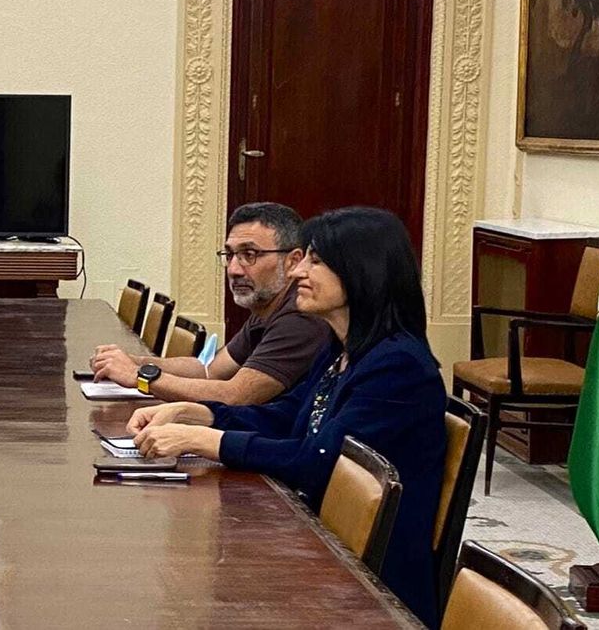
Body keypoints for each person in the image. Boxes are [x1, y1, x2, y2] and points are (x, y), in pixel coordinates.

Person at [126, 207, 446, 626]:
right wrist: (200, 414)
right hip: (323, 549)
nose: (298, 273)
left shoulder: (397, 367)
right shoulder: (343, 349)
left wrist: (206, 441)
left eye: (316, 260)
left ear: (360, 272)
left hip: (370, 588)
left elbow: (315, 462)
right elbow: (286, 416)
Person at [90, 203, 331, 404]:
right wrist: (136, 362)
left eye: (250, 255)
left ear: (293, 261)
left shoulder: (301, 316)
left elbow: (237, 395)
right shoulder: (267, 305)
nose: (234, 269)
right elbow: (209, 371)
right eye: (230, 255)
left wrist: (139, 376)